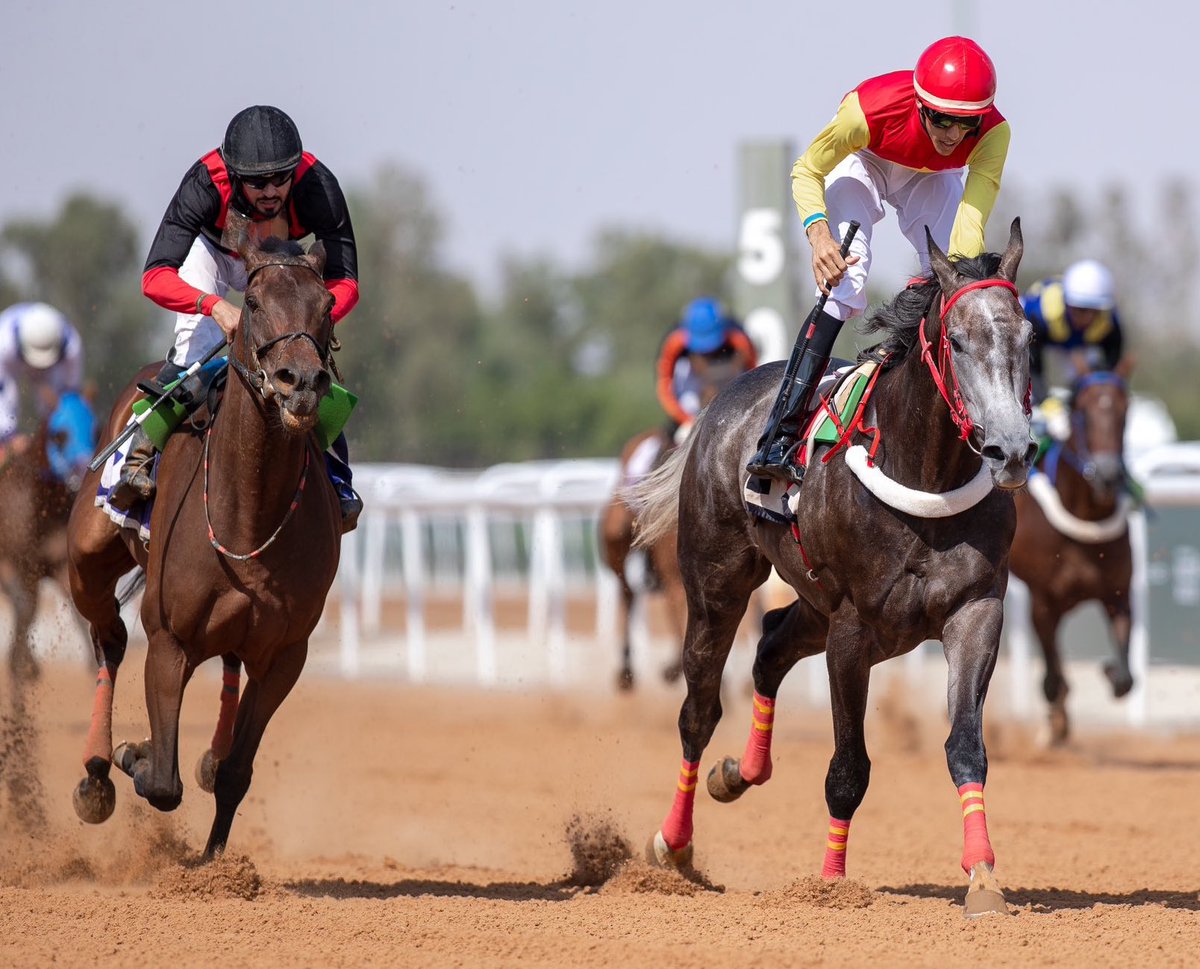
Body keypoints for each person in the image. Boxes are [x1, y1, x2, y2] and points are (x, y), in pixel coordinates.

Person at [746, 36, 1011, 484]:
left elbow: (968, 231)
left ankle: (986, 426)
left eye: (967, 123)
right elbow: (806, 170)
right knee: (846, 277)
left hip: (930, 179)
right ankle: (780, 432)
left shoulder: (995, 134)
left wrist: (955, 276)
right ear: (922, 105)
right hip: (862, 161)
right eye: (943, 119)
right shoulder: (866, 111)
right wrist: (818, 234)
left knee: (958, 276)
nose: (952, 134)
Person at [108, 105, 364, 530]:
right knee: (195, 352)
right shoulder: (205, 183)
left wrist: (310, 317)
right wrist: (215, 306)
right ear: (233, 174)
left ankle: (339, 478)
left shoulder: (319, 185)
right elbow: (154, 277)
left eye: (281, 178)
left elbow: (347, 282)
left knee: (308, 367)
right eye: (257, 182)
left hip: (280, 264)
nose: (270, 191)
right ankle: (140, 456)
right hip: (212, 256)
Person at [656, 297, 757, 442]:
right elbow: (665, 389)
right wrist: (685, 419)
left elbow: (755, 375)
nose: (707, 352)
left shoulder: (738, 337)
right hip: (689, 392)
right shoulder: (674, 343)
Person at [1022, 259, 1123, 402]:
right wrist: (1044, 400)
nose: (1087, 318)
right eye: (1081, 310)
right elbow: (1031, 365)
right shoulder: (1039, 313)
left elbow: (1109, 367)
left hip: (1077, 347)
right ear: (1066, 302)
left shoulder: (1109, 322)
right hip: (1035, 342)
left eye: (1095, 311)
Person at [0, 302, 84, 461]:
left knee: (54, 402)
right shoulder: (3, 341)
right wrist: (9, 437)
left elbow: (69, 396)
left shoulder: (72, 346)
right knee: (9, 398)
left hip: (52, 368)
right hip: (8, 365)